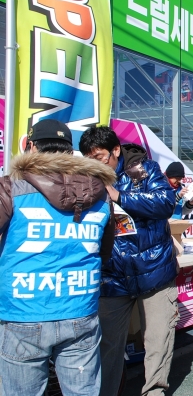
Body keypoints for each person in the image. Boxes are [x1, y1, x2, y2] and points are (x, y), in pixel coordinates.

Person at [0, 120, 114, 395]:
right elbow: (104, 251)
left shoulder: (11, 187)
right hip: (80, 309)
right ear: (70, 151)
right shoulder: (100, 194)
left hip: (23, 310)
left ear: (30, 147)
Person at [79, 126, 178, 396]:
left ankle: (154, 392)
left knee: (158, 341)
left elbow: (164, 203)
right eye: (87, 158)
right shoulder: (83, 178)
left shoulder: (143, 170)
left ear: (114, 151)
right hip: (111, 277)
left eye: (98, 157)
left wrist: (120, 196)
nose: (92, 164)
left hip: (154, 270)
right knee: (106, 346)